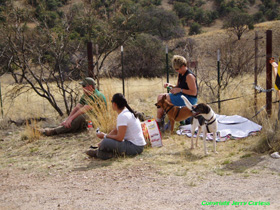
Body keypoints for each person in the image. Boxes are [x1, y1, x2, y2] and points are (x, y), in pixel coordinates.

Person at [86, 93, 146, 160]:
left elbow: (120, 138)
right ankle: (101, 152)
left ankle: (100, 153)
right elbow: (116, 130)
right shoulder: (127, 112)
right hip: (138, 146)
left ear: (114, 104)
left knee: (106, 143)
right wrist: (103, 140)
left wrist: (105, 136)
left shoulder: (122, 116)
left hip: (135, 147)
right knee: (105, 142)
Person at [40, 77, 106, 136]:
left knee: (82, 117)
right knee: (69, 119)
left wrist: (71, 119)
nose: (82, 88)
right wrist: (68, 119)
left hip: (98, 121)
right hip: (90, 120)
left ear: (90, 86)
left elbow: (83, 110)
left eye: (84, 86)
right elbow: (77, 107)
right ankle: (53, 128)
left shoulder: (96, 95)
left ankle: (52, 131)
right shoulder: (86, 95)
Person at [156, 55, 198, 129]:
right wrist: (171, 85)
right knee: (160, 96)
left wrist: (180, 90)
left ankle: (159, 123)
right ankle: (164, 121)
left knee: (161, 98)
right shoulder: (180, 74)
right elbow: (178, 86)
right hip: (182, 95)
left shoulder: (189, 76)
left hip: (189, 99)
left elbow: (194, 93)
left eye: (177, 69)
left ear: (182, 66)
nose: (176, 71)